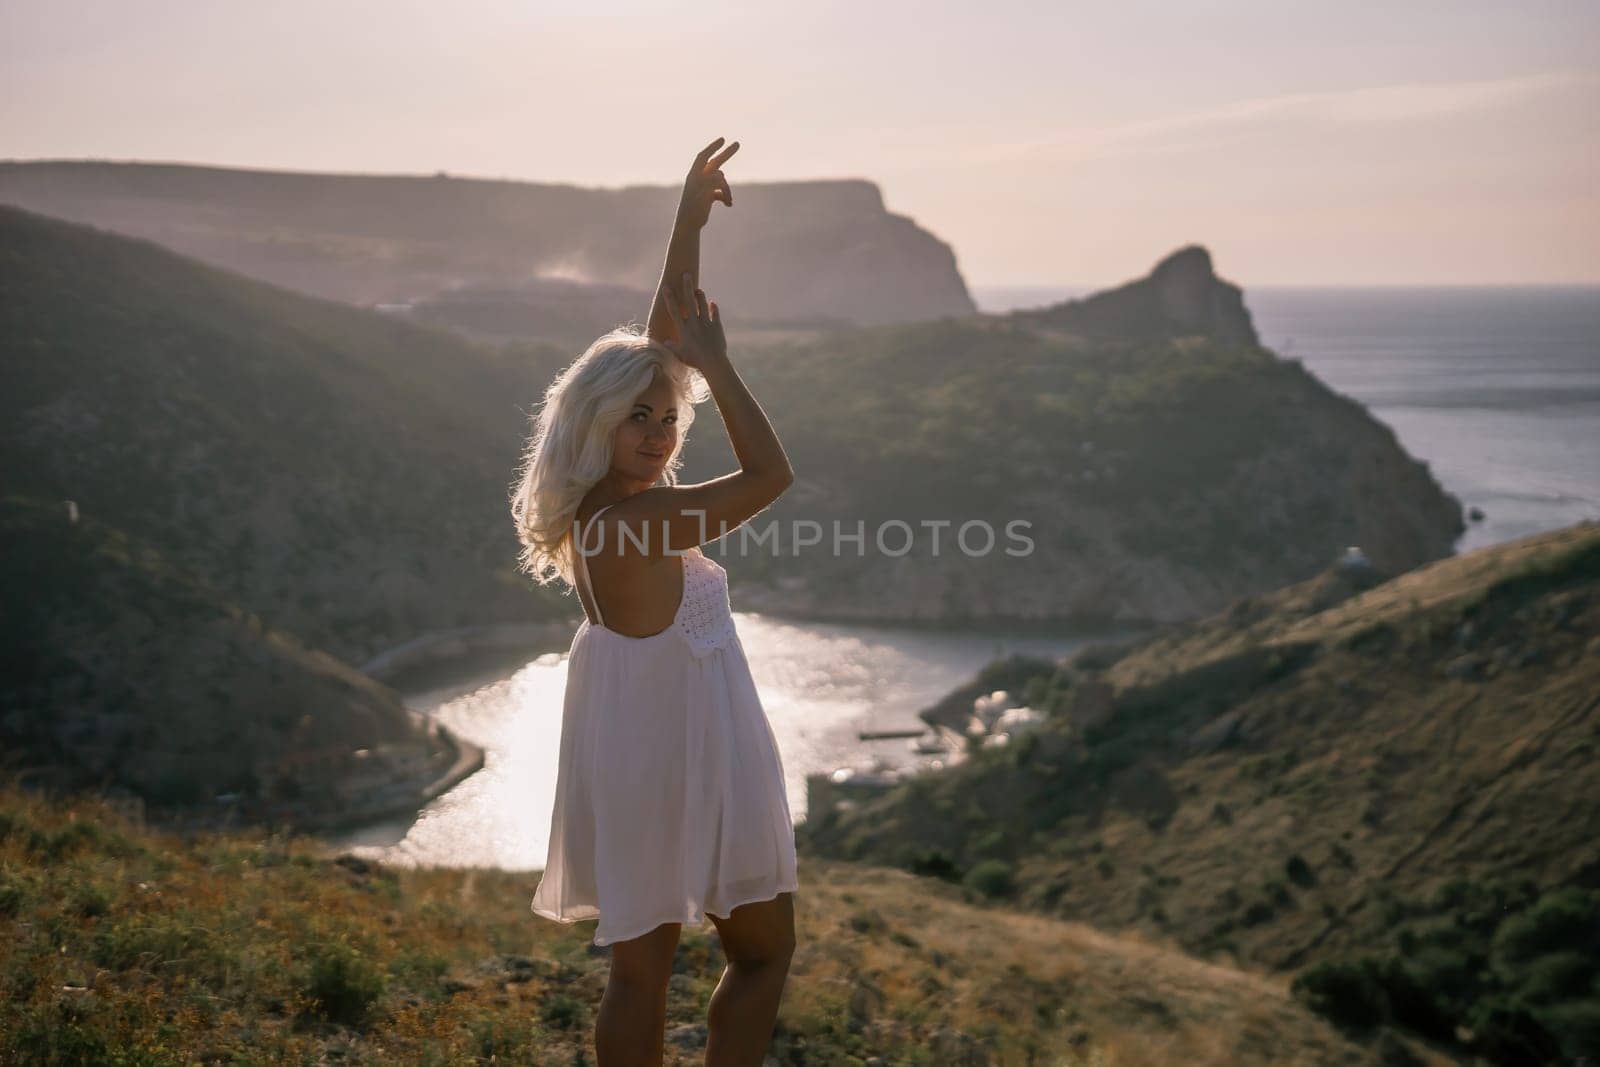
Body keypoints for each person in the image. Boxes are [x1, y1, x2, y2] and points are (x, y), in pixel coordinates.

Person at [509, 137, 800, 1067]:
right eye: (637, 417)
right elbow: (771, 471)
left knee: (640, 970)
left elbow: (654, 352)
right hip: (691, 747)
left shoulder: (599, 511)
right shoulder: (650, 520)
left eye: (668, 417)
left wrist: (685, 224)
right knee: (763, 953)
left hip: (631, 745)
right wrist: (715, 365)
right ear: (596, 423)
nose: (660, 430)